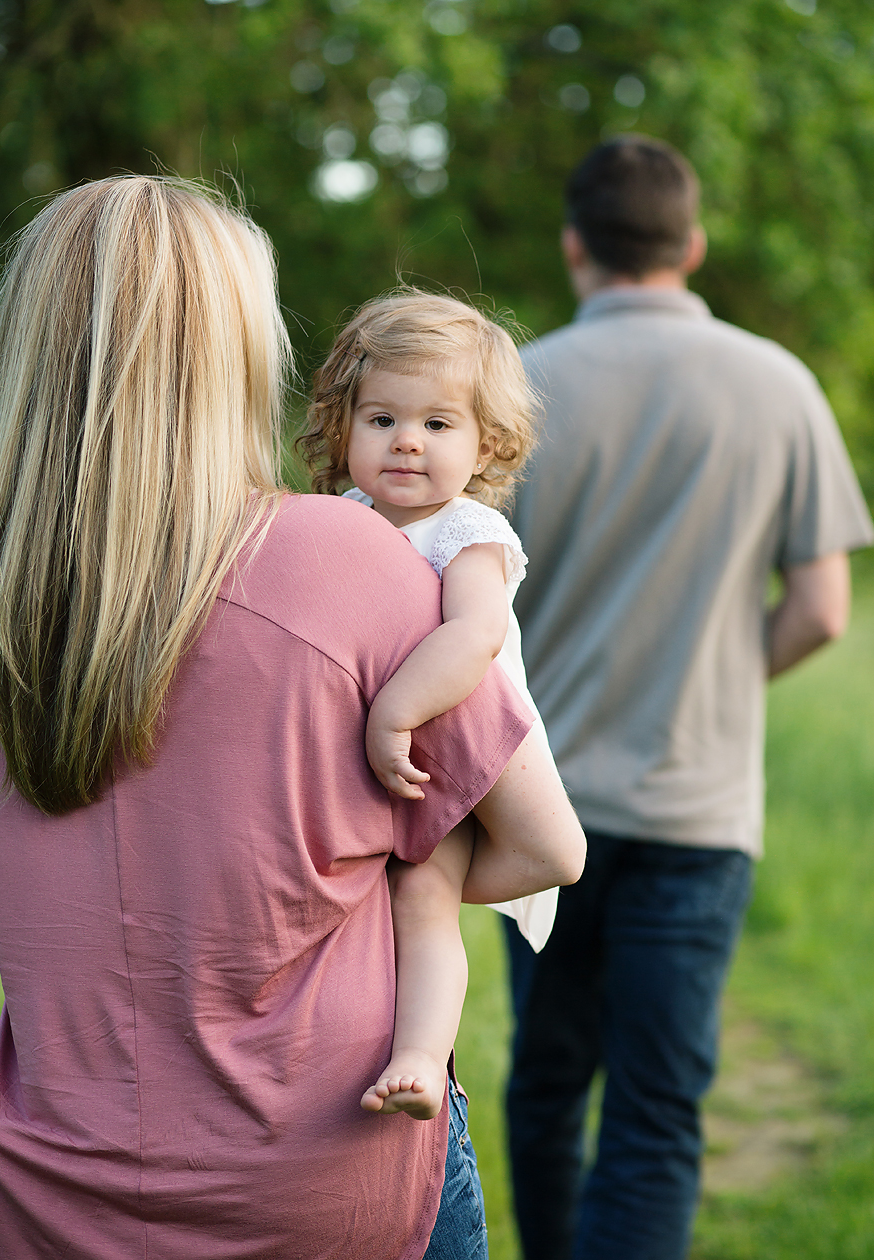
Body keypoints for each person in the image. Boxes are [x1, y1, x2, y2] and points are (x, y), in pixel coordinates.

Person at [0, 176, 585, 1260]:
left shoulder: (0, 598)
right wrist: (394, 877)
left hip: (54, 1191)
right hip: (325, 1180)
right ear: (233, 360)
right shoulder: (344, 561)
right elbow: (548, 846)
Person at [502, 136, 874, 1260]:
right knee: (658, 1109)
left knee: (550, 1081)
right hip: (700, 813)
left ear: (576, 244)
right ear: (693, 245)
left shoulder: (515, 389)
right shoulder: (780, 385)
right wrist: (716, 683)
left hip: (540, 805)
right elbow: (820, 607)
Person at [301, 292, 578, 1124]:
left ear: (486, 442)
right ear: (343, 426)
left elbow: (475, 636)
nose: (407, 441)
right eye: (381, 418)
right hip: (358, 771)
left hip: (453, 771)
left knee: (423, 902)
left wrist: (391, 715)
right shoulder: (339, 518)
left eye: (437, 424)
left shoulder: (466, 533)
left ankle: (420, 1058)